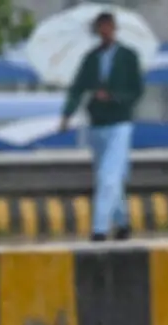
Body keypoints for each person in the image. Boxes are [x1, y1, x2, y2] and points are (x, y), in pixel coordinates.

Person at [60, 11, 144, 242]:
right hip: (97, 123)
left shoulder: (128, 57)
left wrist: (114, 97)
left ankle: (99, 229)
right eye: (101, 27)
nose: (104, 31)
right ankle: (123, 221)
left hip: (120, 122)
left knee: (109, 175)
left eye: (108, 26)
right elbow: (78, 88)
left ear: (114, 28)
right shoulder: (91, 59)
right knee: (109, 175)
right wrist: (67, 114)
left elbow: (136, 91)